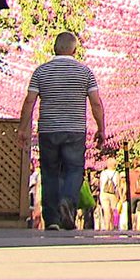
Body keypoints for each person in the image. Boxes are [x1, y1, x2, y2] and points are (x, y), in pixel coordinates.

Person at [18, 31, 105, 232]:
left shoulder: (41, 71)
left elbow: (30, 101)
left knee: (49, 172)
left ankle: (53, 220)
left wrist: (23, 128)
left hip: (48, 129)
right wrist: (101, 128)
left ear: (55, 48)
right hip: (74, 130)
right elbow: (96, 103)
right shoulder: (85, 73)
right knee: (74, 169)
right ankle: (67, 200)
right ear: (74, 49)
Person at [98, 158, 121, 231]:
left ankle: (107, 226)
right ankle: (113, 226)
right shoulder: (116, 173)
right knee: (113, 211)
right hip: (112, 194)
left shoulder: (103, 173)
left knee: (106, 210)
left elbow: (101, 184)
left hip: (104, 194)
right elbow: (118, 186)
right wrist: (119, 197)